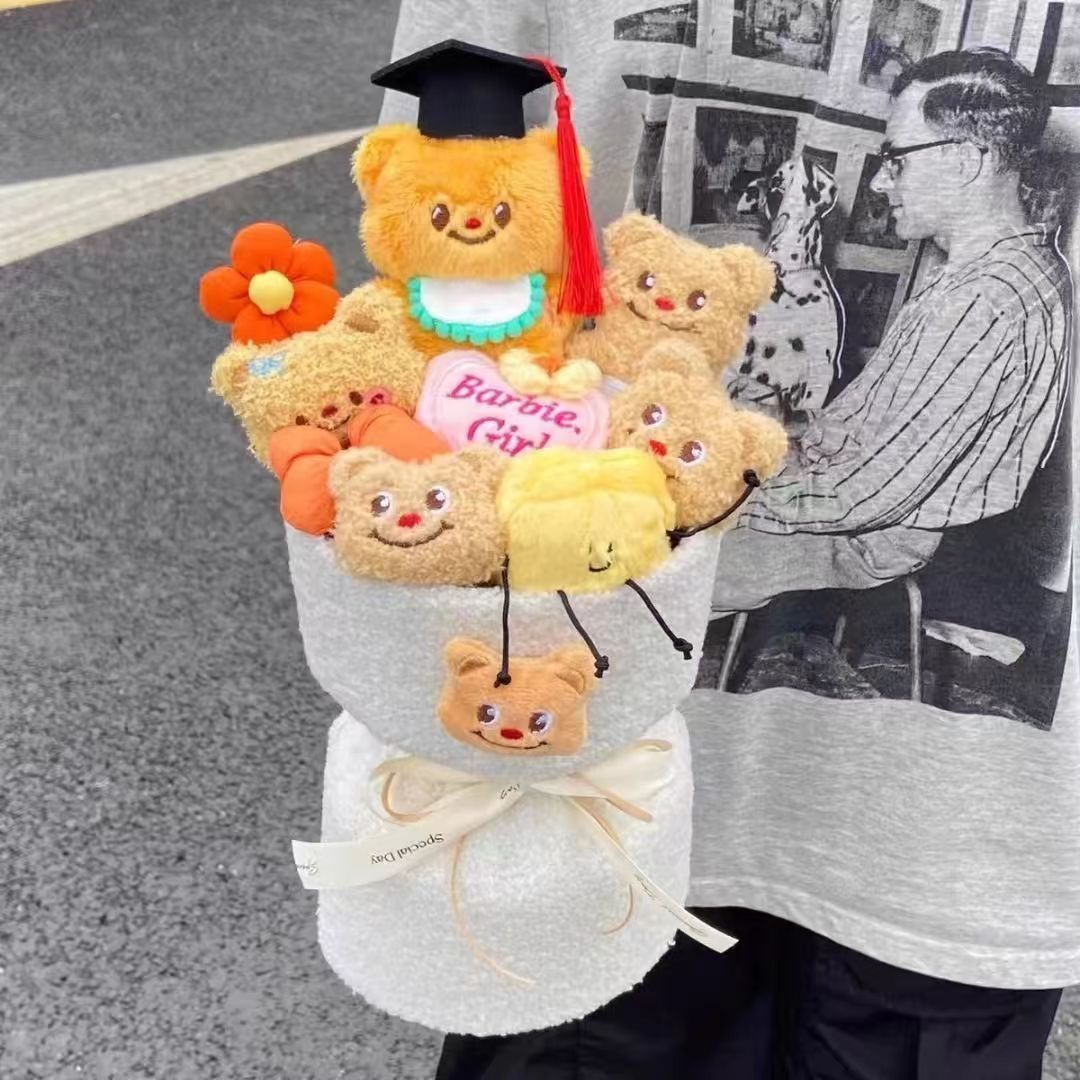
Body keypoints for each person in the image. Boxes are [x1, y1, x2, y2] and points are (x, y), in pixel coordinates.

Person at [378, 8, 1079, 1077]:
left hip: (901, 657)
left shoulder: (988, 301)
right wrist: (740, 455)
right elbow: (427, 244)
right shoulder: (976, 281)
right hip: (778, 772)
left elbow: (873, 489)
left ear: (974, 158)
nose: (885, 184)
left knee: (615, 592)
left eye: (901, 159)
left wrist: (701, 495)